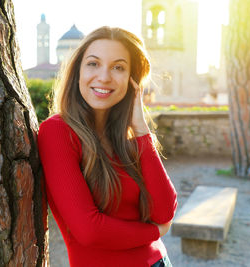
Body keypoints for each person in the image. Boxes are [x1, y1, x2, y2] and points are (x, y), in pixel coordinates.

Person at [38, 26, 177, 267]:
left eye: (118, 67)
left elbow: (164, 211)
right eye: (93, 64)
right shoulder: (58, 131)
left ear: (133, 81)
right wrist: (155, 232)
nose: (104, 77)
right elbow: (89, 231)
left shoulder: (128, 137)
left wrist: (142, 130)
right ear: (77, 72)